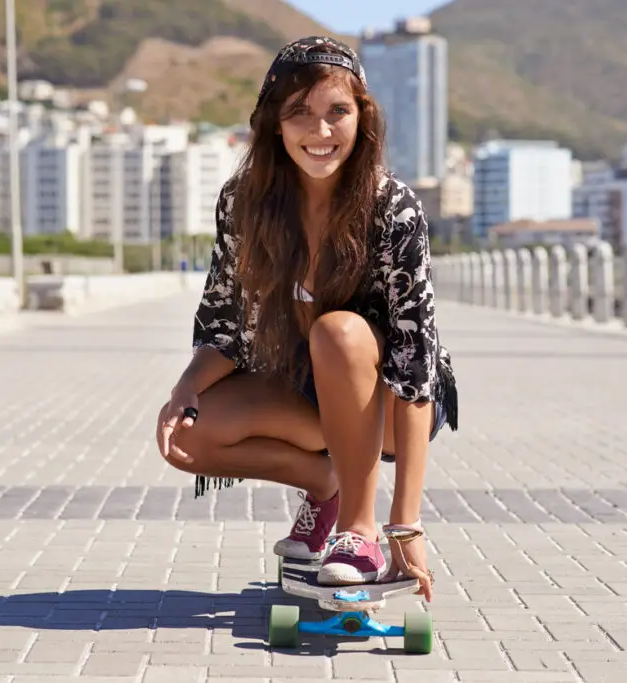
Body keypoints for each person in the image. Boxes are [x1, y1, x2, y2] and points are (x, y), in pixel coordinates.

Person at [155, 36, 457, 602]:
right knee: (187, 440)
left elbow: (417, 367)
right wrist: (184, 391)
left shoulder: (392, 207)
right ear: (274, 123)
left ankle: (357, 530)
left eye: (336, 112)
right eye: (300, 113)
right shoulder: (244, 202)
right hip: (306, 391)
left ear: (361, 117)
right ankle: (325, 483)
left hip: (392, 403)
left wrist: (404, 525)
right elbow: (222, 324)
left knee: (338, 331)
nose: (320, 133)